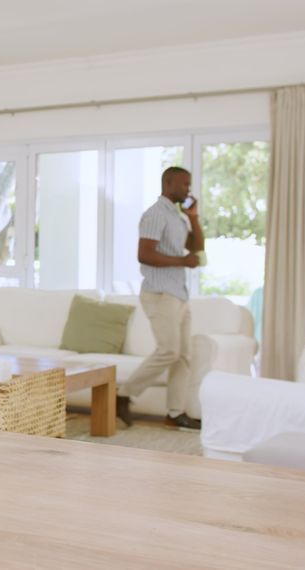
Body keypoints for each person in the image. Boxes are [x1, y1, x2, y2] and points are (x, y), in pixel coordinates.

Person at [116, 166, 204, 431]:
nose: (188, 189)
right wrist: (182, 261)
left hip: (178, 294)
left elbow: (197, 247)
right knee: (169, 351)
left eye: (189, 185)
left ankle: (175, 413)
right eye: (184, 184)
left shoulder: (177, 218)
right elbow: (144, 254)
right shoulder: (154, 214)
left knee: (183, 356)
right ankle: (122, 395)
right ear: (168, 183)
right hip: (159, 293)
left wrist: (194, 217)